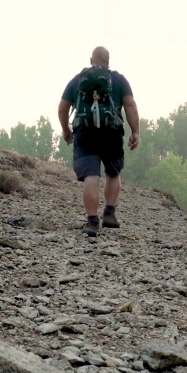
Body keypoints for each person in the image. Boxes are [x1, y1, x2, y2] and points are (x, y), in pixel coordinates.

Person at [58, 46, 140, 236]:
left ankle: (92, 222)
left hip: (85, 132)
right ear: (108, 61)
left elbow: (62, 107)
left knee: (92, 176)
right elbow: (130, 105)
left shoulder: (78, 80)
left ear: (90, 60)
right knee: (113, 172)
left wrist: (66, 130)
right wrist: (135, 132)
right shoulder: (119, 79)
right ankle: (109, 213)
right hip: (111, 132)